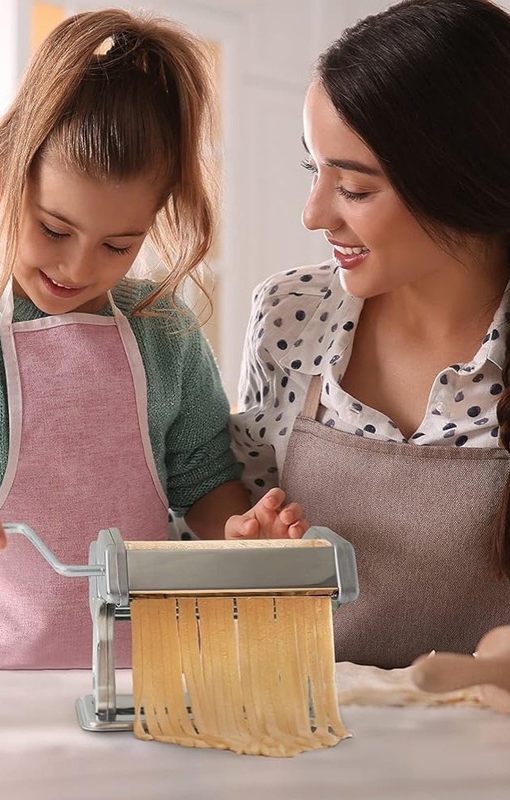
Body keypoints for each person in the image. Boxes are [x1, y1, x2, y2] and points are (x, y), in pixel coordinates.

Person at [0, 9, 308, 669]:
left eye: (119, 244)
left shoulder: (164, 329)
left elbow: (202, 480)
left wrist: (237, 535)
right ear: (1, 180)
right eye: (54, 229)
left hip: (144, 680)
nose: (79, 269)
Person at [230, 0, 510, 669]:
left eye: (353, 188)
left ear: (463, 184)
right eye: (313, 170)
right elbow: (234, 531)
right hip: (309, 746)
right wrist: (244, 550)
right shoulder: (290, 315)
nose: (313, 214)